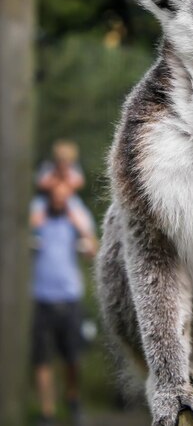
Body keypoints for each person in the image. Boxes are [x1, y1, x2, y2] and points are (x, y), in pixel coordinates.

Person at [30, 182, 97, 426]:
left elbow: (92, 251)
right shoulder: (37, 214)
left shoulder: (75, 216)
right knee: (42, 359)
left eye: (63, 198)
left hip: (70, 299)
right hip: (42, 298)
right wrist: (32, 225)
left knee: (72, 358)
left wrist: (79, 227)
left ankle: (73, 399)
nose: (59, 201)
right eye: (55, 197)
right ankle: (47, 412)